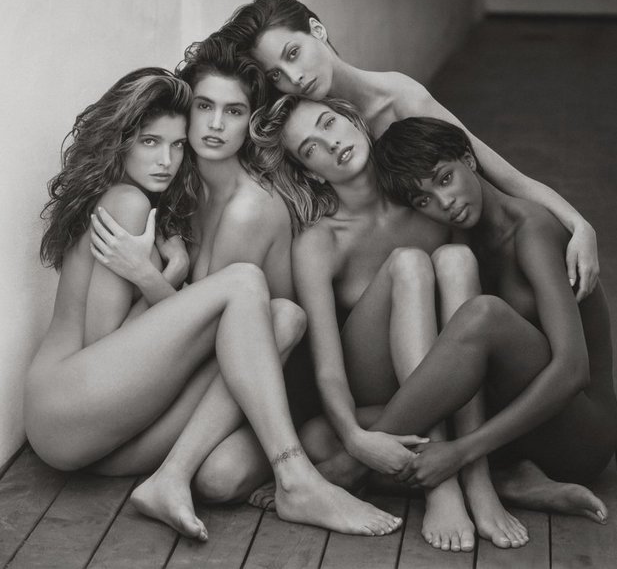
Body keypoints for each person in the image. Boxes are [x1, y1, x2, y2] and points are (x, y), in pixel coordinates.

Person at [25, 67, 403, 542]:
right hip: (67, 405)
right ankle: (296, 478)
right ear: (119, 143)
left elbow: (145, 360)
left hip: (99, 441)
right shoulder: (126, 202)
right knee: (244, 283)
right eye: (149, 142)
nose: (166, 160)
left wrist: (162, 280)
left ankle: (170, 478)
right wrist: (160, 278)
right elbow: (106, 344)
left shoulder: (161, 202)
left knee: (285, 318)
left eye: (176, 145)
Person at [249, 94, 529, 552]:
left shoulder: (422, 198)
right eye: (311, 148)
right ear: (311, 172)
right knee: (408, 264)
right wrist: (354, 439)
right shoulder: (320, 241)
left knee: (457, 259)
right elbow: (328, 368)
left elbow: (465, 325)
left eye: (329, 123)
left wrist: (577, 226)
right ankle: (440, 486)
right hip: (377, 388)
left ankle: (478, 480)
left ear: (354, 120)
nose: (331, 143)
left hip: (453, 383)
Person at [218, 0, 599, 301]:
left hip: (459, 258)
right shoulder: (301, 130)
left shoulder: (400, 100)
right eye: (277, 74)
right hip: (381, 283)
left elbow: (499, 172)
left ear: (316, 30)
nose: (294, 77)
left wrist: (579, 225)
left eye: (293, 53)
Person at [370, 116, 617, 521]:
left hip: (581, 434)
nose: (444, 202)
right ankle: (511, 480)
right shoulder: (460, 243)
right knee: (323, 433)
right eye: (423, 200)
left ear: (469, 160)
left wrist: (461, 451)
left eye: (445, 178)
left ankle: (352, 468)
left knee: (485, 315)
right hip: (518, 431)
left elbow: (573, 370)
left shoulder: (532, 230)